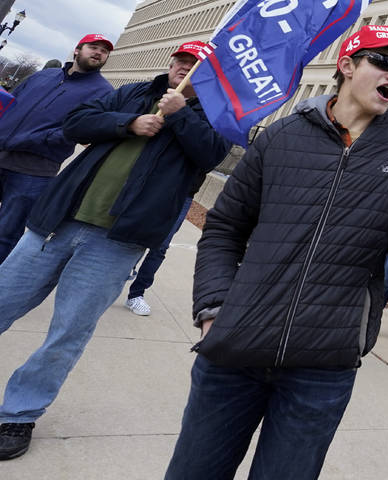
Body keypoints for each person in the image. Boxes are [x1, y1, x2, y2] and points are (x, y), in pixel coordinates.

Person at [164, 24, 388, 480]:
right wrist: (214, 308)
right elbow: (224, 229)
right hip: (236, 349)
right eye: (384, 61)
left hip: (323, 365)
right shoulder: (279, 137)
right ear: (347, 66)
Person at [0, 41, 230, 461]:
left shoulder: (215, 113)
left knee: (68, 332)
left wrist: (179, 116)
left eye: (197, 63)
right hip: (57, 221)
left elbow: (212, 153)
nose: (186, 66)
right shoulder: (136, 91)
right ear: (172, 61)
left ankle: (18, 413)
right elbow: (77, 123)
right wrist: (129, 123)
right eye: (182, 59)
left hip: (117, 241)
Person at [0, 35, 114, 264]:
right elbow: (11, 102)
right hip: (2, 154)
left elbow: (81, 130)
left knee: (5, 232)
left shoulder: (103, 92)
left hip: (33, 171)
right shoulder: (45, 75)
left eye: (104, 51)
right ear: (77, 50)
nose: (98, 53)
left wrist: (33, 139)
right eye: (93, 47)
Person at [124, 195, 195, 316]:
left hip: (184, 195)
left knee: (160, 247)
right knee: (134, 238)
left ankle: (136, 294)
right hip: (157, 186)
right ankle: (114, 281)